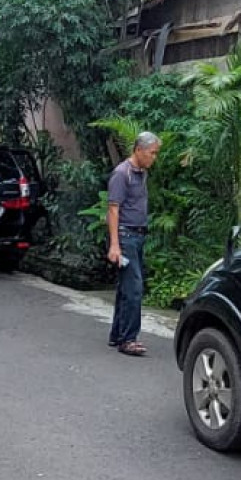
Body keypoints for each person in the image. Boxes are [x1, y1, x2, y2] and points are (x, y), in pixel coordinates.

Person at [106, 131, 160, 357]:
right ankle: (128, 339)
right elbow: (113, 209)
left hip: (137, 236)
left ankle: (118, 333)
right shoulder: (122, 174)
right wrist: (115, 245)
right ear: (138, 150)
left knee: (125, 288)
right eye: (152, 152)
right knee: (134, 288)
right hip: (125, 237)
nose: (154, 157)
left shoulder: (141, 173)